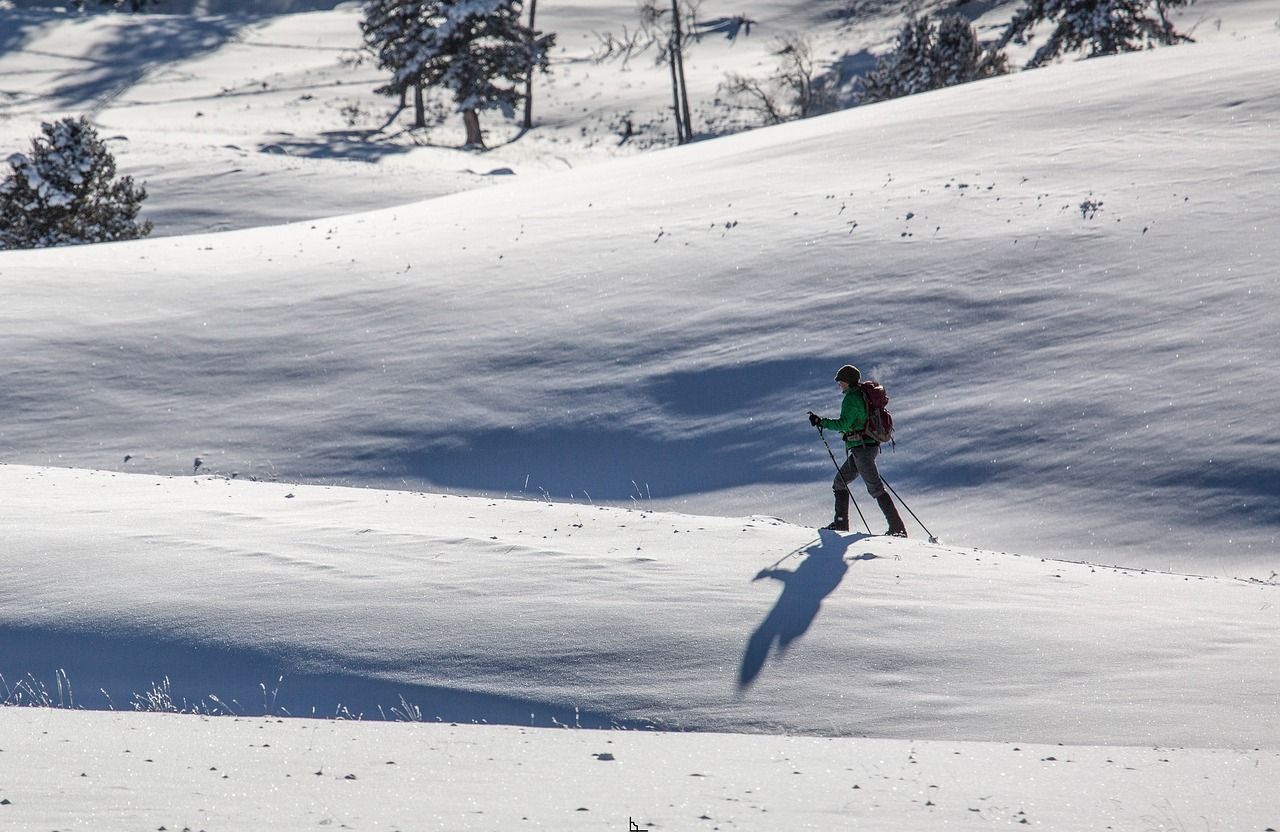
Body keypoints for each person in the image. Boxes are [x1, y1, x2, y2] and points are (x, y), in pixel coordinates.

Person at [807, 364, 907, 536]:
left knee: (875, 488)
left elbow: (844, 424)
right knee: (840, 482)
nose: (839, 384)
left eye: (840, 381)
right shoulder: (861, 394)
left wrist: (821, 422)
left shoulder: (852, 398)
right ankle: (840, 524)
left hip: (862, 449)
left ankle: (897, 528)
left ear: (847, 381)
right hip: (864, 448)